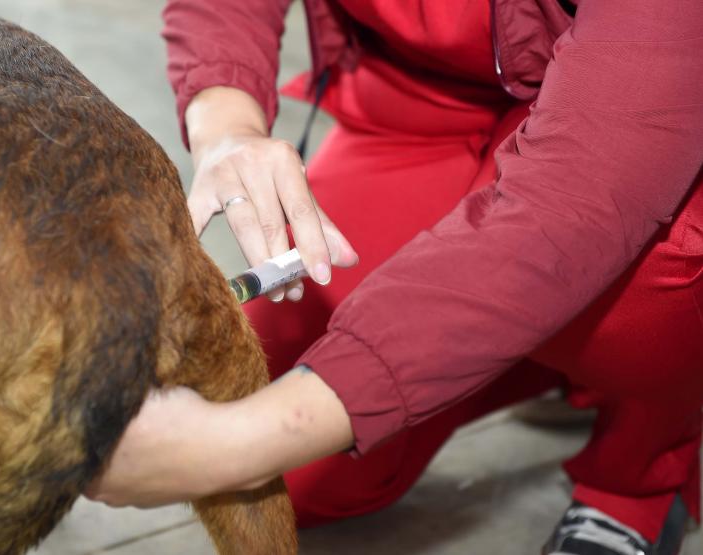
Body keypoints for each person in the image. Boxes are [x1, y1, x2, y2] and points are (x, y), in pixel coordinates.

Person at [87, 1, 703, 553]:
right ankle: (548, 356)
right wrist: (227, 125)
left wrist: (241, 446)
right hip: (419, 114)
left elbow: (578, 204)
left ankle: (638, 481)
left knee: (655, 269)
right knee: (292, 485)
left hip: (623, 138)